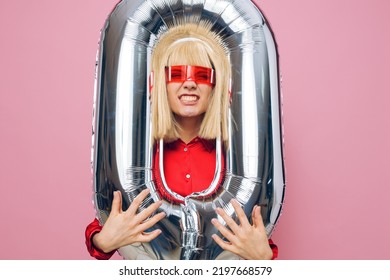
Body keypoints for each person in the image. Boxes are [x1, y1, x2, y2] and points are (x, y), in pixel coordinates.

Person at [86, 23, 278, 260]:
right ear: (158, 84)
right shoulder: (141, 158)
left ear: (217, 86)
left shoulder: (236, 161)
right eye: (176, 74)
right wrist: (101, 241)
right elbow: (110, 219)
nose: (189, 83)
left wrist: (266, 257)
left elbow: (253, 228)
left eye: (202, 75)